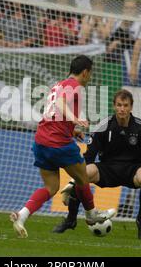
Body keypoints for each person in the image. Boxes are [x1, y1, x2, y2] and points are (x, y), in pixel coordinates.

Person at [10, 55, 116, 238]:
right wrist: (75, 120)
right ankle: (91, 214)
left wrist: (72, 130)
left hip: (41, 141)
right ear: (85, 72)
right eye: (90, 73)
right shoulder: (75, 86)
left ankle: (22, 215)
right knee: (83, 178)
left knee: (51, 187)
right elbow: (60, 104)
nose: (90, 76)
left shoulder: (58, 84)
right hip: (58, 144)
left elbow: (52, 113)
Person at [52, 89, 141, 240]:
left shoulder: (140, 128)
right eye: (119, 105)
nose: (122, 109)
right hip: (107, 169)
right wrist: (74, 181)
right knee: (85, 173)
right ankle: (71, 220)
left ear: (131, 107)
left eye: (125, 105)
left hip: (132, 171)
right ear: (114, 106)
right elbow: (89, 156)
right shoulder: (104, 126)